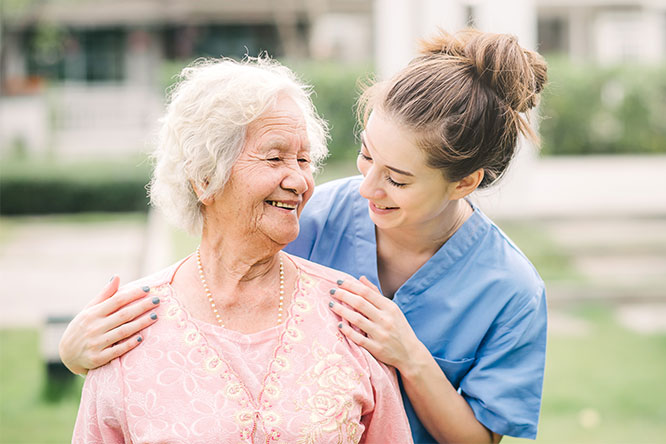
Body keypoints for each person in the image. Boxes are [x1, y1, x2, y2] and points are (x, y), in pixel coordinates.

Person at [63, 29, 548, 443]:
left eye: (397, 179)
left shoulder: (511, 291)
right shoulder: (314, 214)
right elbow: (219, 264)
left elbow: (482, 438)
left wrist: (410, 356)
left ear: (464, 183)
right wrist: (80, 351)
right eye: (365, 155)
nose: (367, 187)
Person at [71, 56, 413, 443]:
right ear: (205, 178)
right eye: (275, 157)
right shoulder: (128, 327)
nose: (300, 180)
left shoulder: (349, 313)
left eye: (304, 160)